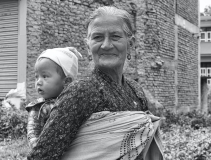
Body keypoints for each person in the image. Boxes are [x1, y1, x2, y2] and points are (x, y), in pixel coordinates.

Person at [27, 6, 164, 160]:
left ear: (130, 44)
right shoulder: (82, 91)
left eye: (115, 36)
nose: (106, 45)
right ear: (88, 46)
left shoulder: (135, 91)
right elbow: (41, 156)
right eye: (98, 37)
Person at [25, 47, 82, 149]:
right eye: (36, 77)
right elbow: (33, 132)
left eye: (45, 76)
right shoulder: (38, 108)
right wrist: (38, 149)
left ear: (67, 81)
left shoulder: (75, 103)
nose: (38, 81)